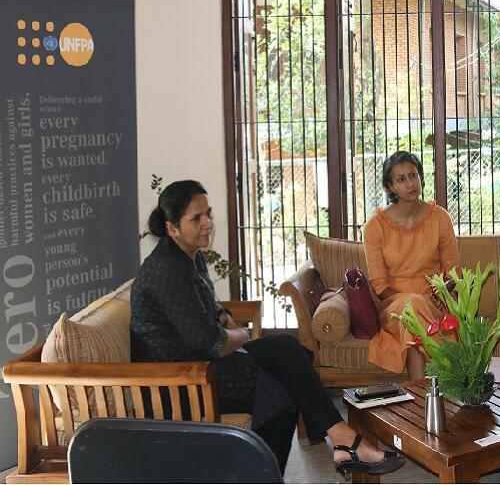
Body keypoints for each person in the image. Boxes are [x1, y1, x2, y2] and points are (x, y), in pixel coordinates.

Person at [131, 180, 404, 477]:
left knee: (287, 348)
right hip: (179, 381)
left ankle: (339, 439)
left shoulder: (186, 256)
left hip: (201, 365)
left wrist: (225, 320)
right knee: (284, 388)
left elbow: (210, 306)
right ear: (172, 228)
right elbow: (211, 342)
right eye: (196, 218)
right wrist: (243, 335)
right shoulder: (167, 270)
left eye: (208, 213)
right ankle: (328, 447)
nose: (208, 223)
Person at [363, 151, 459, 379]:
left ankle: (422, 407)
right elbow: (380, 286)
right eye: (401, 179)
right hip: (394, 306)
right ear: (391, 187)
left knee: (416, 332)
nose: (410, 183)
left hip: (435, 302)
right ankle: (450, 385)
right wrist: (416, 300)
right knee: (413, 308)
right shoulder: (374, 226)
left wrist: (439, 293)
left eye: (413, 175)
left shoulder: (440, 218)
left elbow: (452, 272)